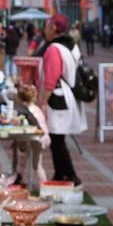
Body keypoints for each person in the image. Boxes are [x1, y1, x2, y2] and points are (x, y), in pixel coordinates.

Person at [40, 14, 86, 184]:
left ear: (53, 28)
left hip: (58, 98)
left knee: (57, 140)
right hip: (67, 97)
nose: (45, 30)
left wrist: (42, 102)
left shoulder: (54, 49)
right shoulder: (71, 46)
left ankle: (71, 176)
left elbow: (51, 79)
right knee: (57, 139)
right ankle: (60, 174)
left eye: (47, 26)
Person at [12, 83, 51, 187]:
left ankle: (44, 185)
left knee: (36, 164)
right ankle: (19, 179)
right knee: (25, 160)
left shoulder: (28, 111)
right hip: (34, 137)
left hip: (38, 138)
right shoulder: (35, 109)